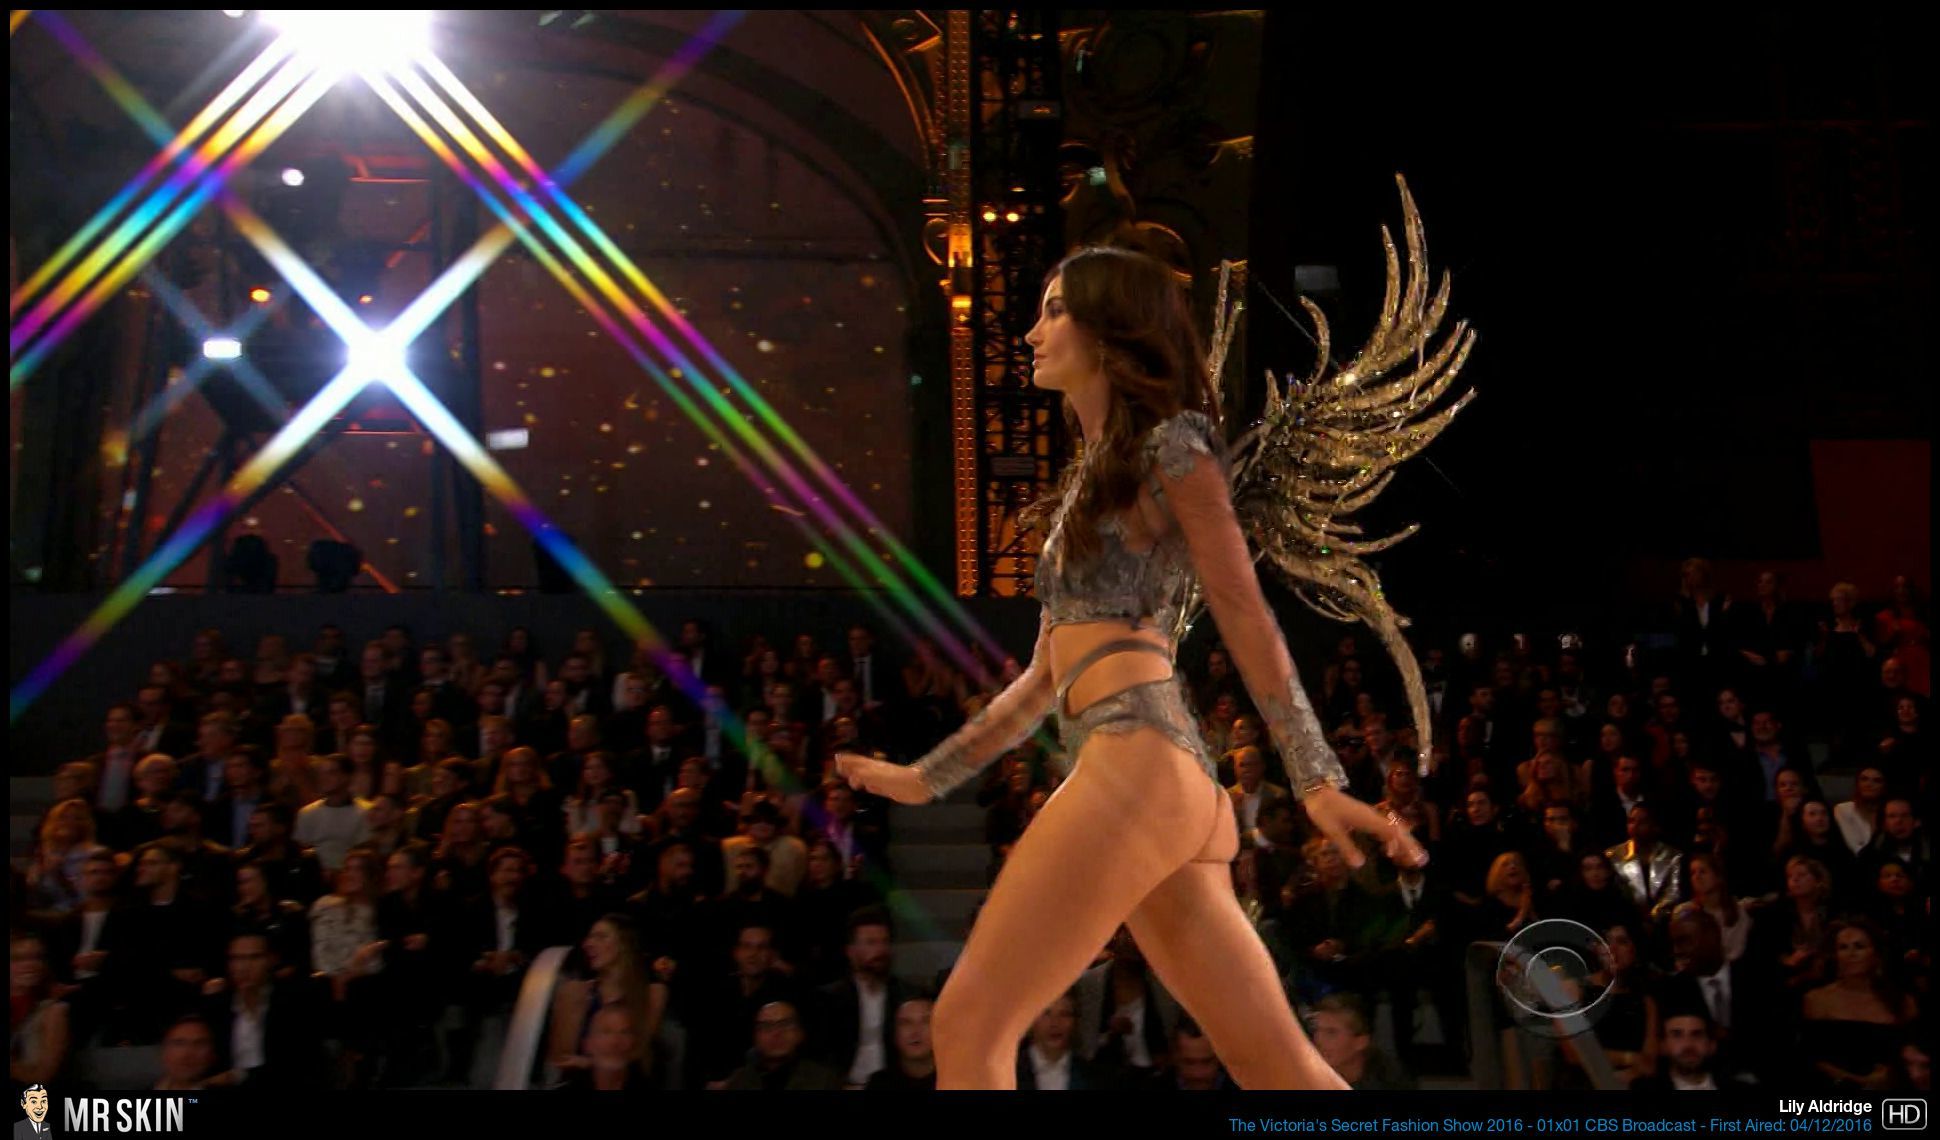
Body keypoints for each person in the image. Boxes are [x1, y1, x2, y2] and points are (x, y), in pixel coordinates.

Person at [835, 246, 1425, 1089]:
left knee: (966, 1024)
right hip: (1155, 781)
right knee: (1277, 1067)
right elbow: (1041, 681)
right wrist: (925, 779)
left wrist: (1315, 778)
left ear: (1112, 330)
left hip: (1138, 765)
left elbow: (1244, 610)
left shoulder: (1172, 446)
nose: (1032, 331)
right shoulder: (1093, 479)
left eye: (1055, 310)